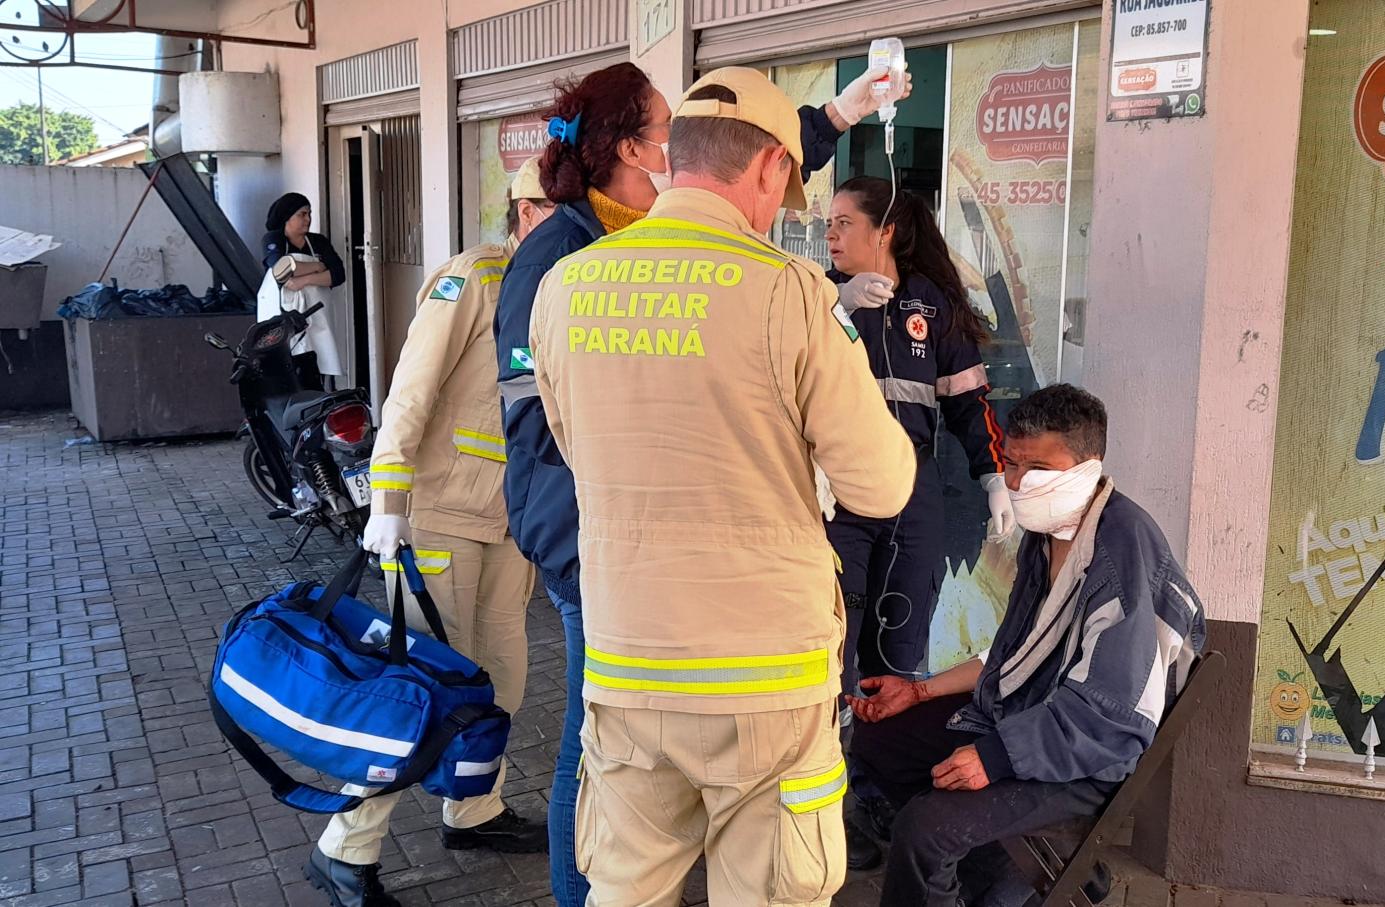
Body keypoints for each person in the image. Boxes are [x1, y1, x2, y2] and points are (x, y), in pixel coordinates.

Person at [493, 59, 908, 907]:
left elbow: (572, 446)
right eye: (781, 190)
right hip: (766, 684)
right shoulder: (789, 292)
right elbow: (881, 486)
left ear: (673, 157)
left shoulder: (564, 284)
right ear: (767, 168)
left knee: (625, 889)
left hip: (627, 665)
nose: (774, 215)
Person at [845, 384, 1208, 907]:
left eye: (1035, 468)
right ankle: (1007, 875)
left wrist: (993, 757)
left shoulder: (1122, 550)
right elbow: (1012, 651)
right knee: (882, 742)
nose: (1017, 482)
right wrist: (920, 693)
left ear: (1088, 466)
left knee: (926, 831)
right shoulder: (1050, 534)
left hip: (1088, 752)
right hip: (1029, 717)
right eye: (1011, 465)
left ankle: (1000, 878)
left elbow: (1109, 714)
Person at [302, 161, 555, 907]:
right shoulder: (472, 279)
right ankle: (344, 846)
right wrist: (389, 495)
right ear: (528, 213)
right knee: (416, 688)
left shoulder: (560, 292)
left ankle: (474, 806)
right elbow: (410, 389)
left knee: (500, 680)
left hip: (513, 521)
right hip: (439, 514)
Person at [822, 175, 1011, 708]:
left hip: (912, 491)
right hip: (839, 494)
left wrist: (994, 476)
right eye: (828, 225)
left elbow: (969, 402)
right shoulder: (813, 296)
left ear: (885, 231)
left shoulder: (929, 305)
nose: (831, 236)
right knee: (835, 630)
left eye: (844, 223)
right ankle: (825, 752)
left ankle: (877, 779)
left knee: (898, 636)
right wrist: (837, 304)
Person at [262, 192, 346, 389]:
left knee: (317, 367)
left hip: (317, 315)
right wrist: (318, 266)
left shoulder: (318, 242)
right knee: (288, 370)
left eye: (309, 214)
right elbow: (281, 270)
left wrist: (304, 279)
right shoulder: (273, 239)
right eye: (302, 214)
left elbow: (338, 274)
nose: (308, 219)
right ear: (287, 217)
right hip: (284, 317)